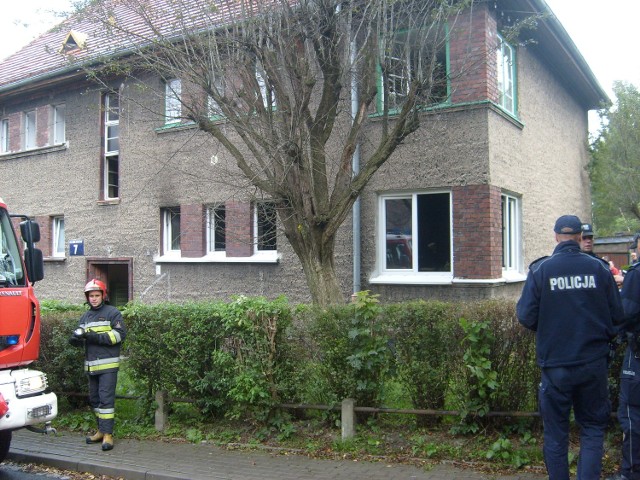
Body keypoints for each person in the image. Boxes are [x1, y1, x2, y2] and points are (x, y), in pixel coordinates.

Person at [516, 214, 624, 480]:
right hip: (592, 365)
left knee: (555, 435)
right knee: (592, 430)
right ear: (579, 237)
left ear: (555, 237)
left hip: (555, 367)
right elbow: (617, 318)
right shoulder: (599, 269)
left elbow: (526, 317)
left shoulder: (541, 270)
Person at [69, 279, 126, 451]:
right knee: (94, 400)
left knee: (106, 400)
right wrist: (75, 340)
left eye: (96, 295)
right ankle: (101, 430)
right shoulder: (85, 316)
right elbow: (81, 335)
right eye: (91, 296)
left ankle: (108, 435)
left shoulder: (113, 313)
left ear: (103, 295)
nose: (93, 299)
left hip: (107, 366)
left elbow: (119, 336)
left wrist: (92, 336)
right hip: (91, 366)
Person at [608, 234, 640, 480]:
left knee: (631, 412)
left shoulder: (637, 274)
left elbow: (624, 314)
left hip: (637, 358)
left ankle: (630, 472)